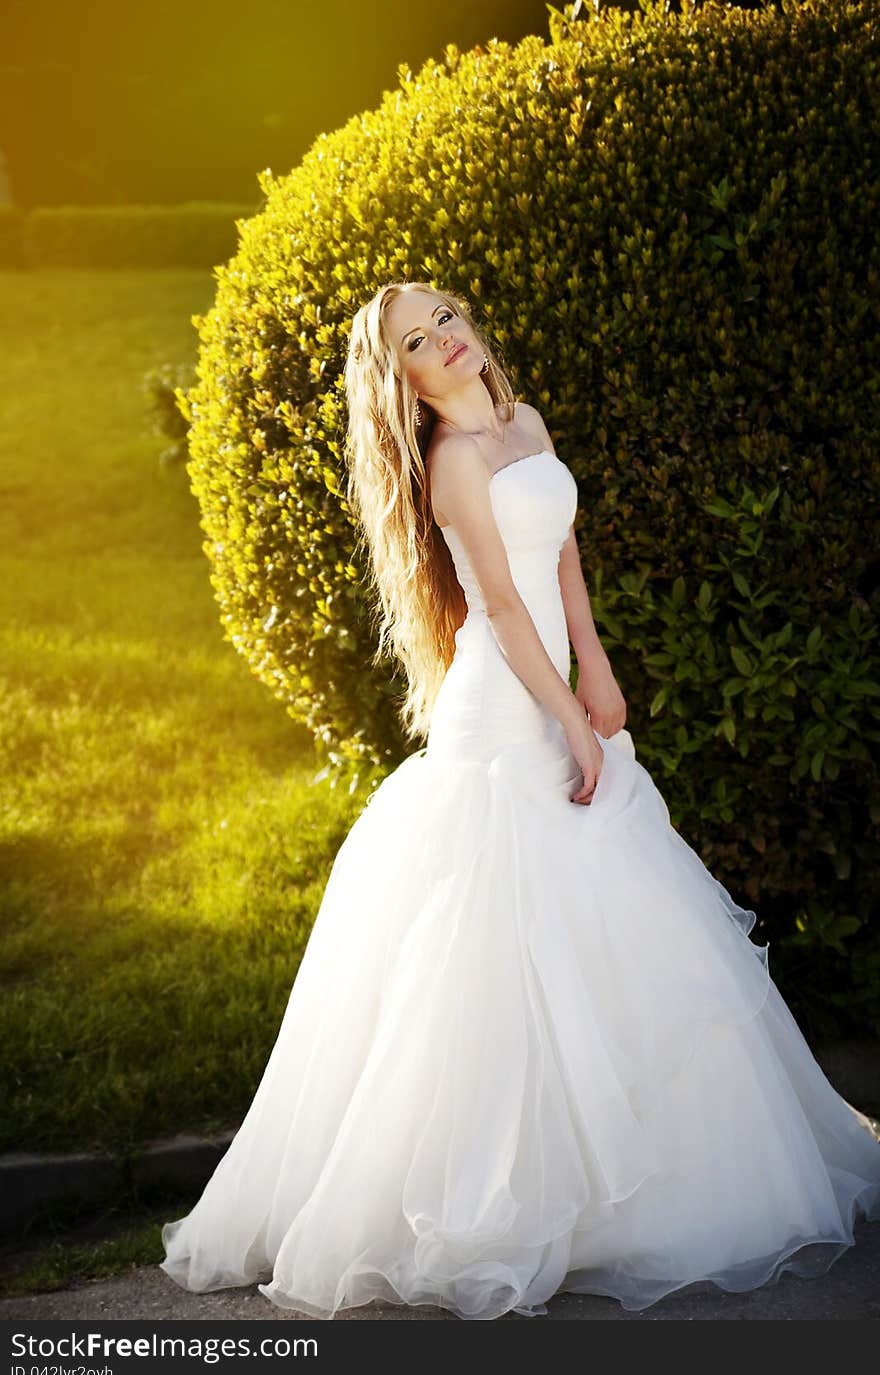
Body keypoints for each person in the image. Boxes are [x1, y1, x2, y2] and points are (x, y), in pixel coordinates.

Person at [160, 280, 880, 1320]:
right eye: (417, 341)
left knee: (611, 920)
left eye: (444, 319)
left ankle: (639, 1188)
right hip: (499, 712)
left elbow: (562, 556)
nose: (445, 342)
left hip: (558, 685)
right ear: (401, 380)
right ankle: (489, 1202)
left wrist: (596, 667)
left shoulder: (522, 423)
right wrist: (565, 720)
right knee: (496, 937)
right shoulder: (451, 462)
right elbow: (496, 606)